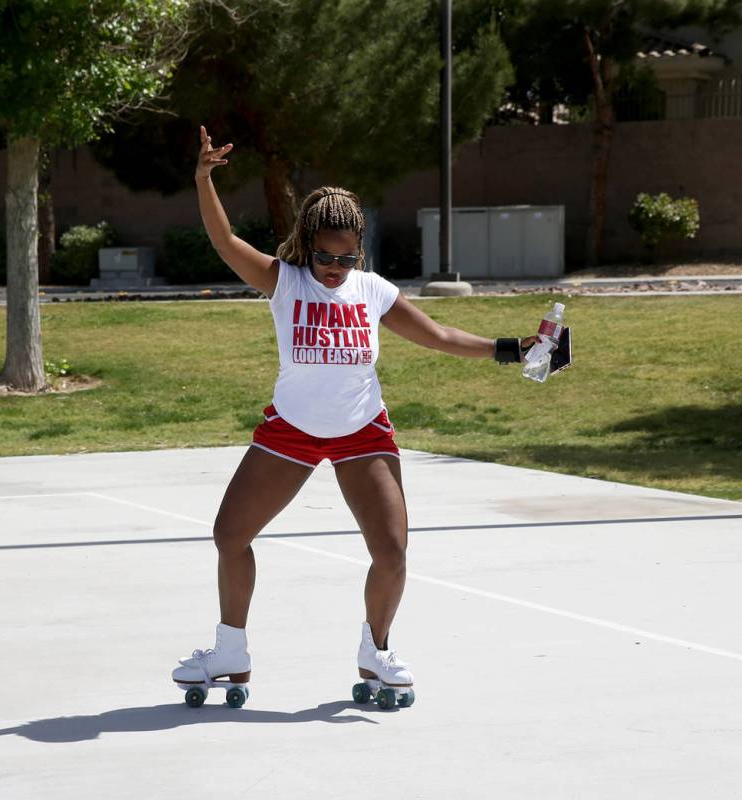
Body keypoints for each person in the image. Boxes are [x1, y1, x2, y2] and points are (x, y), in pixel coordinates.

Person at [172, 125, 537, 709]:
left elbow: (439, 334)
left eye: (348, 256)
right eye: (326, 255)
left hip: (362, 432)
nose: (337, 267)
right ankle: (230, 651)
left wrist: (515, 348)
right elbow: (224, 241)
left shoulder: (371, 290)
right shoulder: (283, 281)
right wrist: (203, 178)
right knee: (230, 534)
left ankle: (377, 652)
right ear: (305, 243)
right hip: (289, 428)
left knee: (391, 552)